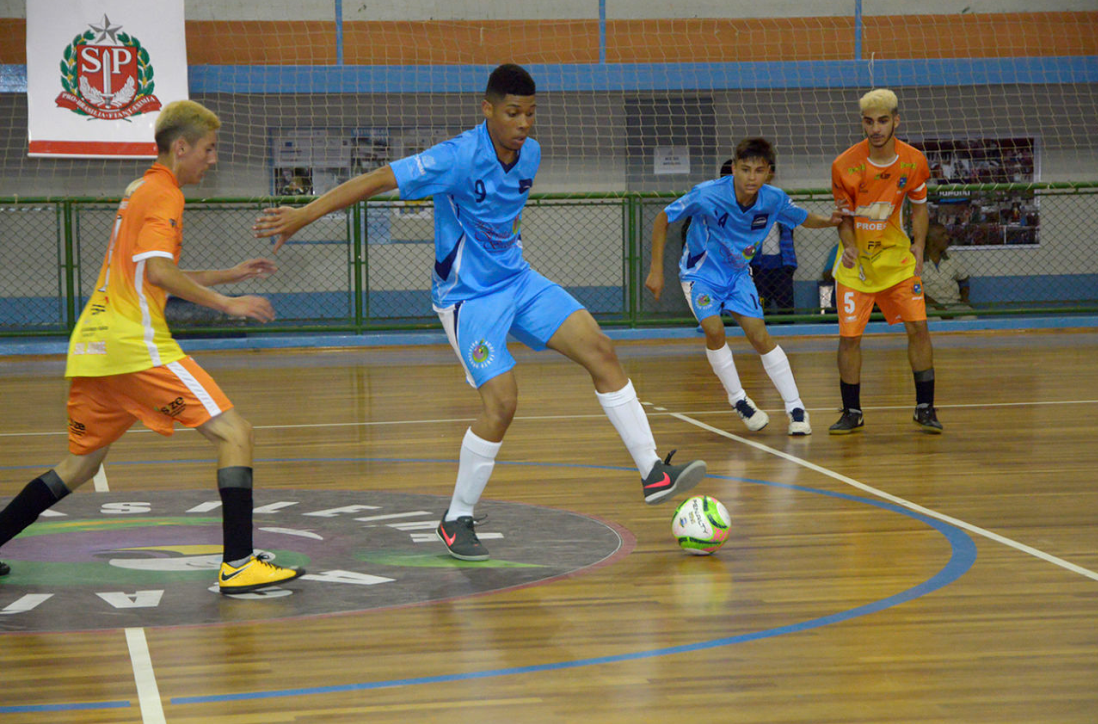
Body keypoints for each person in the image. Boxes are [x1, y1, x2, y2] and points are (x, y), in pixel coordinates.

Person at [253, 64, 707, 562]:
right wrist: (304, 213)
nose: (524, 123)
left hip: (518, 280)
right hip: (468, 298)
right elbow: (378, 178)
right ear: (487, 109)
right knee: (502, 404)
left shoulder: (530, 153)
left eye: (531, 113)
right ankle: (456, 518)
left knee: (601, 349)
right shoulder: (458, 156)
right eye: (513, 112)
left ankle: (651, 471)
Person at [0, 100, 304, 593]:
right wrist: (228, 303)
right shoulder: (165, 195)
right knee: (236, 433)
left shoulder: (139, 188)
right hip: (133, 345)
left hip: (96, 346)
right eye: (208, 149)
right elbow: (160, 273)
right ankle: (239, 563)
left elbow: (148, 274)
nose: (212, 159)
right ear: (179, 147)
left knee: (81, 464)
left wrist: (229, 273)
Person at [645, 137, 842, 436]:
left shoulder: (773, 199)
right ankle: (738, 399)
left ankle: (796, 408)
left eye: (759, 171)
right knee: (714, 330)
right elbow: (663, 218)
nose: (752, 177)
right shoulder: (707, 194)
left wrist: (829, 221)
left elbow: (803, 218)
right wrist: (656, 269)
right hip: (701, 274)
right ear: (734, 169)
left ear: (769, 173)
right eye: (746, 169)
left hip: (738, 276)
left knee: (760, 336)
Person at [829, 88, 942, 435]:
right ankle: (852, 411)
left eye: (882, 121)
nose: (875, 128)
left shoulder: (914, 161)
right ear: (861, 122)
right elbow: (844, 217)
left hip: (898, 262)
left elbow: (919, 205)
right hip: (855, 266)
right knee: (849, 338)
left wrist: (919, 245)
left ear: (896, 120)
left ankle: (925, 408)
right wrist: (848, 246)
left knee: (919, 328)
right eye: (868, 121)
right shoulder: (844, 165)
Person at [922, 223, 974, 318]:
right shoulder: (917, 261)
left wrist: (964, 299)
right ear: (930, 240)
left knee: (969, 316)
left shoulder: (952, 257)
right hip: (928, 306)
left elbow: (964, 282)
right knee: (933, 319)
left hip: (953, 303)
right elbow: (914, 290)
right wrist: (939, 308)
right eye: (942, 235)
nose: (947, 238)